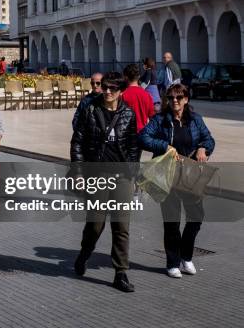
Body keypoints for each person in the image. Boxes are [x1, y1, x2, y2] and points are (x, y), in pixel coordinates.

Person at [71, 72, 138, 293]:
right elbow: (78, 141)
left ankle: (121, 272)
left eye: (112, 89)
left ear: (121, 91)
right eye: (105, 87)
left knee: (121, 226)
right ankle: (84, 254)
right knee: (95, 225)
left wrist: (133, 174)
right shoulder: (91, 109)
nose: (107, 92)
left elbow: (132, 146)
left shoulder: (128, 113)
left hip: (122, 177)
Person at [139, 83, 215, 279]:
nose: (175, 101)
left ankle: (186, 256)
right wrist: (164, 145)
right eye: (171, 97)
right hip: (168, 175)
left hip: (190, 176)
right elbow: (143, 137)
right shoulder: (160, 120)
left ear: (186, 100)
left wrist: (203, 149)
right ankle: (172, 262)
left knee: (196, 217)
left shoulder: (195, 120)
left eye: (179, 98)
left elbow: (209, 139)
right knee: (171, 221)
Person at [122, 64, 155, 134]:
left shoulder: (123, 95)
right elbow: (152, 116)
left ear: (125, 77)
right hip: (143, 132)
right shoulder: (147, 95)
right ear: (138, 76)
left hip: (127, 133)